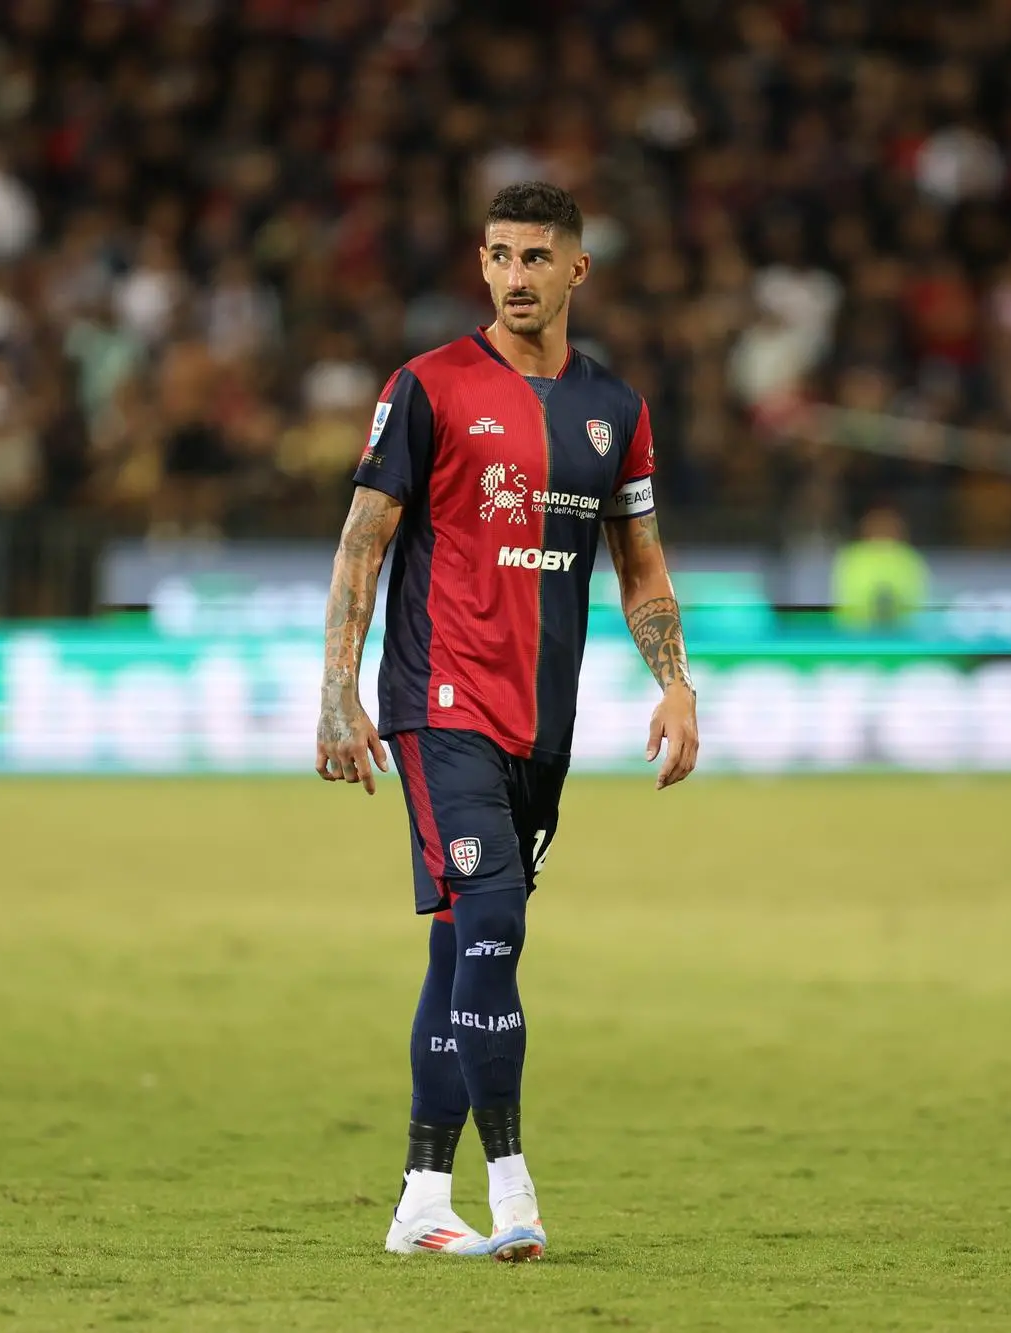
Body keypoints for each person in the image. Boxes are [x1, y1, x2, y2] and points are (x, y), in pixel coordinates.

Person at [316, 182, 700, 1263]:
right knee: (494, 913)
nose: (514, 276)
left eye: (536, 257)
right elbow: (363, 541)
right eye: (497, 256)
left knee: (459, 946)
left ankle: (421, 1200)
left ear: (577, 270)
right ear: (480, 265)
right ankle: (514, 1186)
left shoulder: (612, 411)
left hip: (542, 723)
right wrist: (337, 689)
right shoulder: (428, 386)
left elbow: (641, 566)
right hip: (438, 704)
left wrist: (674, 679)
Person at [831, 504, 930, 631]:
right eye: (877, 523)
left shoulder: (910, 558)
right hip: (858, 634)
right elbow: (844, 600)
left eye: (888, 523)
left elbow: (917, 601)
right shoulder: (851, 557)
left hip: (902, 633)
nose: (882, 528)